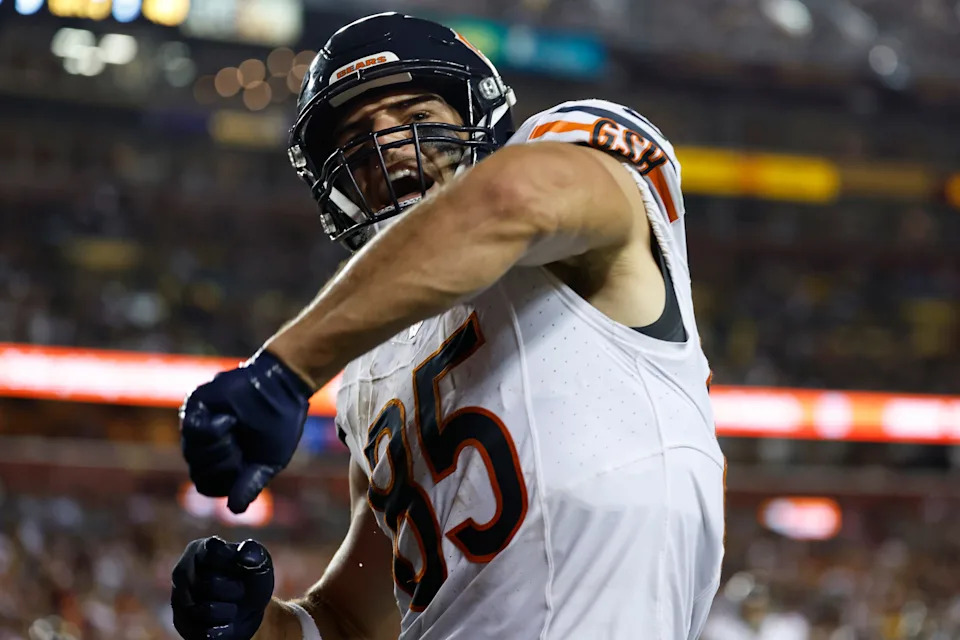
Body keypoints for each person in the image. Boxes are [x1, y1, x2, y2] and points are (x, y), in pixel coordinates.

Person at [172, 12, 726, 640]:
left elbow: (514, 199)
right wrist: (260, 626)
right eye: (356, 137)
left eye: (416, 117)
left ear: (481, 117)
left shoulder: (572, 181)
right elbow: (354, 620)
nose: (389, 147)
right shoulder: (370, 367)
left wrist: (284, 371)